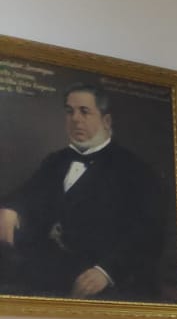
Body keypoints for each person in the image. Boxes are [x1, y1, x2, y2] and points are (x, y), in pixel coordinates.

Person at [0, 83, 163, 300]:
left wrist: (106, 272)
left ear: (106, 121)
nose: (75, 119)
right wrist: (11, 208)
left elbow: (148, 233)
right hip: (50, 269)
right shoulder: (55, 160)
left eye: (84, 111)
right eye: (70, 112)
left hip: (104, 278)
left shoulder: (134, 169)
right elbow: (27, 192)